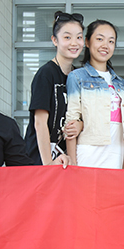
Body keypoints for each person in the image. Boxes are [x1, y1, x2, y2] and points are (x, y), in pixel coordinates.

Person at [65, 19, 124, 168]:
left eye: (111, 41)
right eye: (99, 39)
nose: (105, 45)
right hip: (88, 155)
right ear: (87, 42)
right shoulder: (77, 77)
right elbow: (71, 123)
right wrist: (73, 165)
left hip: (116, 154)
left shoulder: (120, 83)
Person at [24, 11, 85, 165]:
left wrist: (80, 125)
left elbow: (82, 116)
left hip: (65, 160)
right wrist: (48, 164)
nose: (74, 43)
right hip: (40, 160)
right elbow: (40, 123)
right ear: (54, 40)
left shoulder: (78, 76)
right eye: (67, 37)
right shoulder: (46, 74)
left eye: (79, 37)